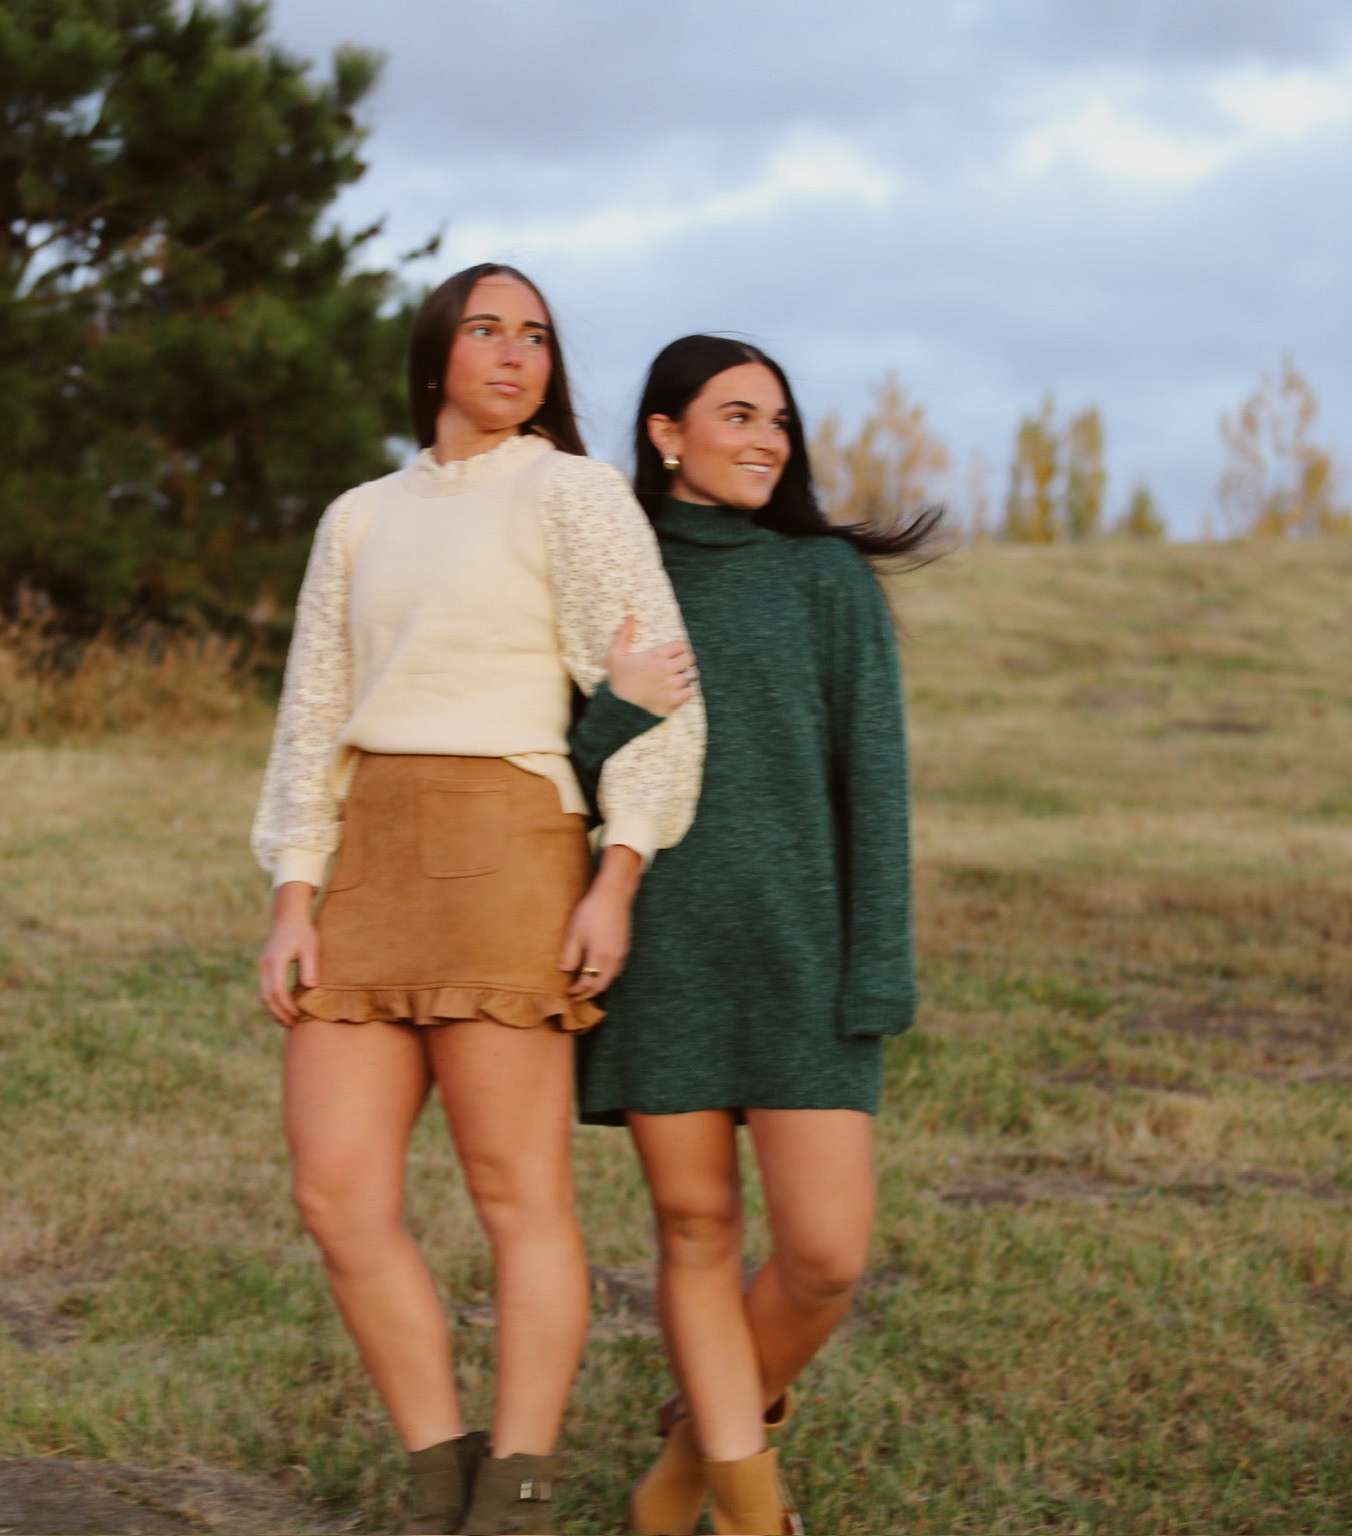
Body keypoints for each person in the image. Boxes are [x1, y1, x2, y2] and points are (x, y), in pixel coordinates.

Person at [250, 264, 706, 1535]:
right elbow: (313, 715)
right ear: (435, 353)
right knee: (336, 1192)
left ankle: (517, 1491)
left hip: (511, 847)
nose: (515, 354)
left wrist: (619, 872)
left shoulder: (572, 492)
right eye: (488, 330)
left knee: (518, 1197)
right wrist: (294, 894)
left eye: (537, 337)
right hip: (369, 862)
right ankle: (439, 1472)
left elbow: (664, 692)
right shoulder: (358, 517)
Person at [566, 335, 938, 1535]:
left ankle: (686, 1464)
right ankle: (749, 1513)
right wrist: (616, 711)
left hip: (802, 960)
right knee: (695, 1231)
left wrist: (875, 971)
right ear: (666, 433)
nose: (769, 440)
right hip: (661, 952)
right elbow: (562, 764)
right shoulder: (610, 572)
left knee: (826, 1255)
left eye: (779, 420)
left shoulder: (825, 581)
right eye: (738, 415)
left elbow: (875, 787)